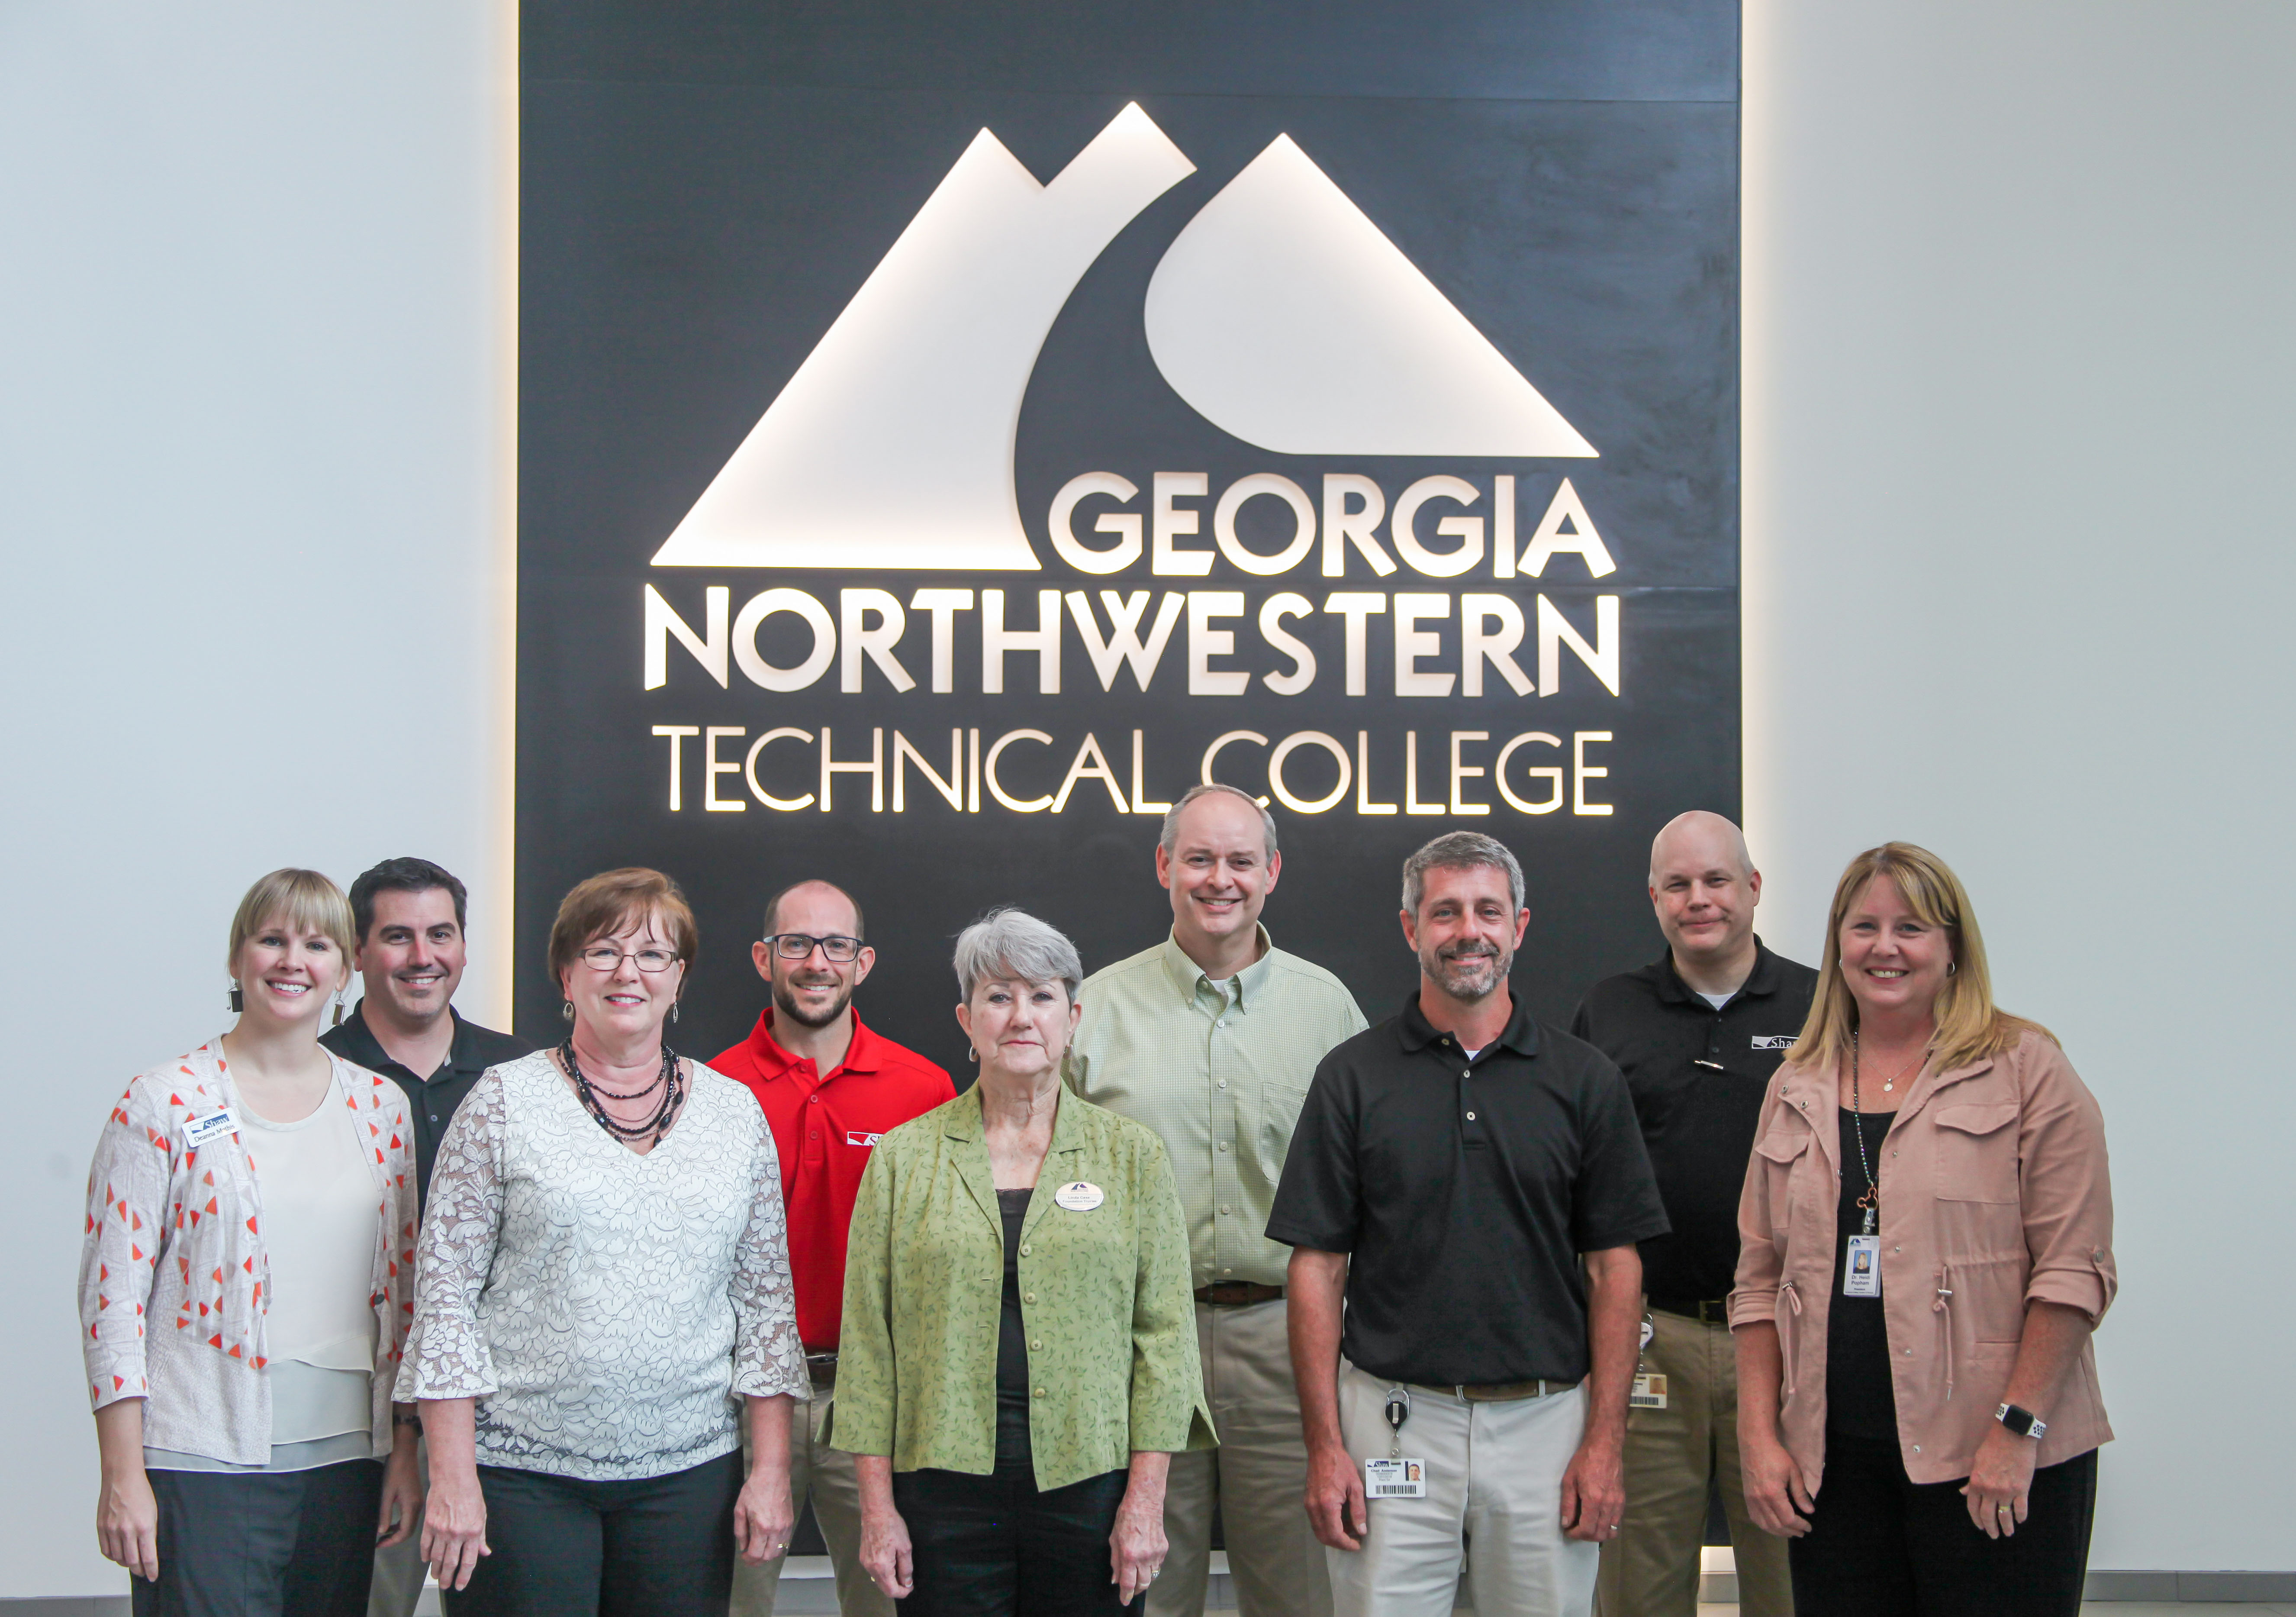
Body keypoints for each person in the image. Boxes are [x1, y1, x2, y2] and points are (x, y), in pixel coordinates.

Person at [1270, 831, 1670, 1617]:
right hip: (1391, 1424)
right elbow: (1316, 1268)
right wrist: (1324, 1449)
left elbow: (1614, 1269)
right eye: (1444, 912)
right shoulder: (1351, 1076)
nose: (1468, 932)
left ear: (1520, 925)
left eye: (1489, 911)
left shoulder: (1583, 1080)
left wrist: (1604, 1443)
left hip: (1546, 1426)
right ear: (1410, 927)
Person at [399, 867, 809, 1616]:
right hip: (521, 1478)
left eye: (653, 955)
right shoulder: (500, 1101)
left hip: (691, 1477)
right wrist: (453, 1480)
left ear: (678, 980)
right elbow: (445, 1303)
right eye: (603, 952)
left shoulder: (733, 1114)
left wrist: (772, 1468)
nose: (629, 973)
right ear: (565, 974)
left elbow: (766, 1307)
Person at [1732, 843, 2115, 1617]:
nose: (1884, 948)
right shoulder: (1797, 1084)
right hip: (1832, 1468)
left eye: (1910, 927)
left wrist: (2016, 1430)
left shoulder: (2026, 1067)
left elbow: (2075, 1271)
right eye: (1863, 926)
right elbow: (1758, 1279)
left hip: (1992, 1462)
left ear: (1951, 949)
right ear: (1837, 945)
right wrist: (1758, 1437)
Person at [837, 907, 1215, 1615]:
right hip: (938, 1486)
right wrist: (877, 1509)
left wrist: (1144, 1501)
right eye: (998, 995)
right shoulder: (903, 1158)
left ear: (1072, 1018)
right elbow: (868, 1343)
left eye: (1040, 996)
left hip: (1092, 1481)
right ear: (965, 1018)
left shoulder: (1131, 1156)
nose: (1020, 1016)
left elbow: (1165, 1339)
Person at [80, 868, 420, 1616]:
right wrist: (122, 1473)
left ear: (345, 969)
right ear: (238, 960)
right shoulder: (165, 1100)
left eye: (317, 943)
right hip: (201, 1461)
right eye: (272, 940)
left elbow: (403, 1295)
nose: (292, 960)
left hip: (347, 1462)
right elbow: (111, 1302)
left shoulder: (381, 1107)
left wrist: (403, 1448)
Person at [1065, 783, 1366, 1617]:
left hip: (1290, 1342)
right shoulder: (1095, 1010)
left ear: (1271, 872)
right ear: (1165, 866)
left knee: (1300, 1591)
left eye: (1240, 860)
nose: (1218, 879)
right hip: (1133, 1344)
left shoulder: (1327, 1010)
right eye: (1198, 858)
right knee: (1141, 1587)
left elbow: (1373, 1192)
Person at [1570, 811, 1816, 1617]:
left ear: (1752, 888)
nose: (1698, 899)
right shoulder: (1609, 1012)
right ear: (1653, 898)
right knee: (1639, 1586)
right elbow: (1578, 1181)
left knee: (1792, 1579)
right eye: (1678, 884)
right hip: (1652, 1341)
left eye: (1716, 880)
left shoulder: (1821, 1008)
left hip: (1788, 1337)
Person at [710, 879, 955, 1617]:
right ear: (764, 958)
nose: (817, 962)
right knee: (725, 1602)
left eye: (836, 945)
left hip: (874, 1404)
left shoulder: (925, 1090)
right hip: (741, 1402)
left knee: (888, 1603)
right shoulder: (711, 1091)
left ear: (863, 962)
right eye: (796, 944)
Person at [321, 857, 532, 1617]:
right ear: (357, 952)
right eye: (398, 937)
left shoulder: (526, 1074)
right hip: (351, 1417)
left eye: (440, 934)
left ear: (466, 947)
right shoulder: (318, 1075)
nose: (423, 957)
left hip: (499, 1413)